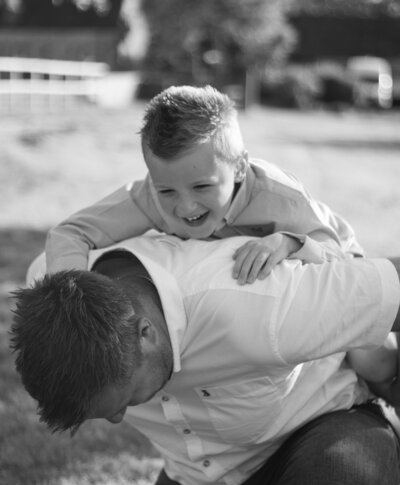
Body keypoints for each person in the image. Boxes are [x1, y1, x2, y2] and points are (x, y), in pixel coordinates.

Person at [10, 233, 400, 485]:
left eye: (125, 400)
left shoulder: (251, 299)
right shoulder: (52, 287)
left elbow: (391, 286)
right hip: (206, 474)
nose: (116, 420)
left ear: (146, 333)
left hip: (324, 424)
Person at [43, 82, 396, 419]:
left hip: (332, 254)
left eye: (201, 186)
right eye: (167, 191)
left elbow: (336, 254)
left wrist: (289, 242)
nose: (185, 207)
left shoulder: (277, 196)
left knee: (372, 363)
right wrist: (73, 305)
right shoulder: (149, 196)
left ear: (239, 166)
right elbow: (70, 233)